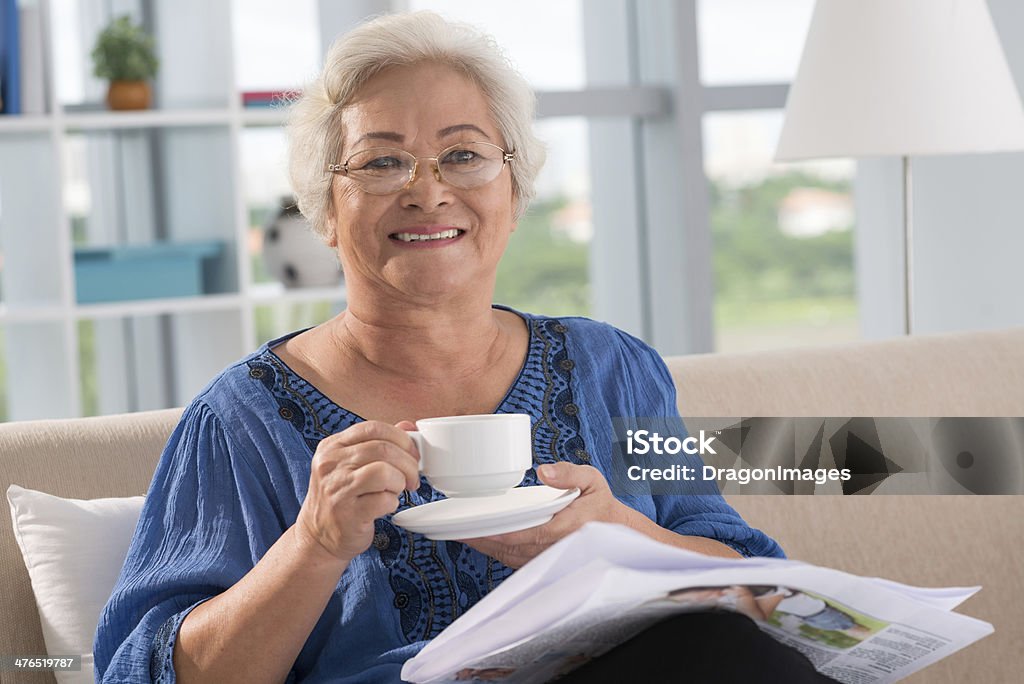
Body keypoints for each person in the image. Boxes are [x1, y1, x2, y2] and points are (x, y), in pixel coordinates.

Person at [93, 11, 816, 683]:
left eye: (463, 154)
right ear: (324, 209)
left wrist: (615, 533)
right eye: (381, 164)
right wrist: (314, 542)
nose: (427, 191)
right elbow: (149, 671)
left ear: (513, 190)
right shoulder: (240, 418)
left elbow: (750, 576)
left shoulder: (615, 369)